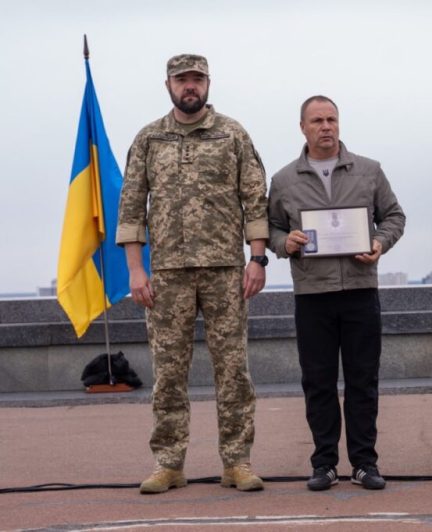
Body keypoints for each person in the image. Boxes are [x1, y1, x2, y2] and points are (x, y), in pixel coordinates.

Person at [116, 54, 268, 494]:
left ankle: (237, 462)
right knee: (168, 375)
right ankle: (168, 464)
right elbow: (131, 207)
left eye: (197, 79)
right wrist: (135, 270)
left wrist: (257, 259)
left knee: (234, 371)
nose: (190, 86)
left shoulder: (232, 134)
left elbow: (254, 199)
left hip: (225, 271)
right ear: (168, 85)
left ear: (208, 84)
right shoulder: (149, 138)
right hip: (167, 274)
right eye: (182, 79)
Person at [267, 95, 405, 492]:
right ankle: (324, 463)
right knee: (318, 383)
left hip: (360, 291)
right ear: (303, 128)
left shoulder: (369, 170)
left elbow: (394, 216)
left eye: (331, 119)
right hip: (312, 295)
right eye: (317, 121)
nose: (325, 126)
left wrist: (379, 242)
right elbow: (271, 227)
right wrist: (284, 243)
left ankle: (364, 463)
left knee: (363, 381)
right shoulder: (284, 180)